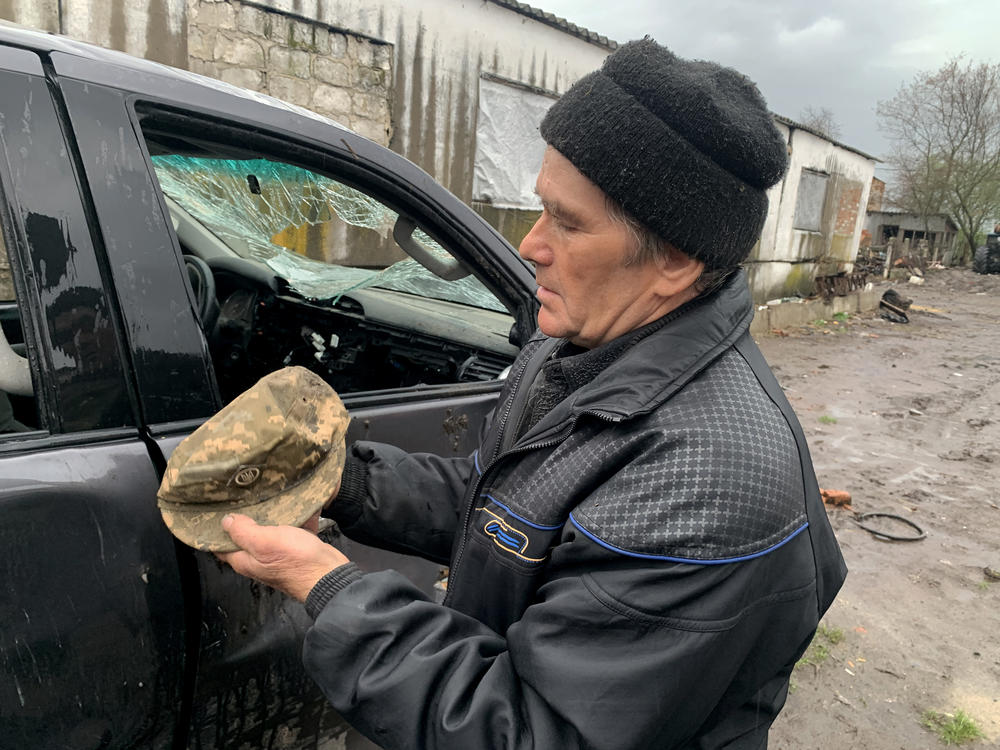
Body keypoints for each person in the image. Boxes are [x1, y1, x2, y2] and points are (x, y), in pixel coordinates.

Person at [219, 37, 847, 749]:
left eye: (569, 223)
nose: (530, 245)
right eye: (540, 208)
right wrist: (341, 482)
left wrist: (328, 586)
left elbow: (538, 734)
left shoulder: (705, 488)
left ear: (674, 261)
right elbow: (501, 507)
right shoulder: (577, 348)